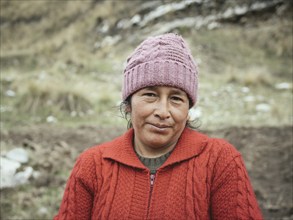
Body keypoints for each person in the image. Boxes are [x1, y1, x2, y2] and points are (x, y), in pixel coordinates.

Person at [54, 33, 263, 219]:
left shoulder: (220, 161)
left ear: (188, 108)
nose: (163, 112)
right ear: (128, 104)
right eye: (150, 95)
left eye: (176, 98)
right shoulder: (92, 165)